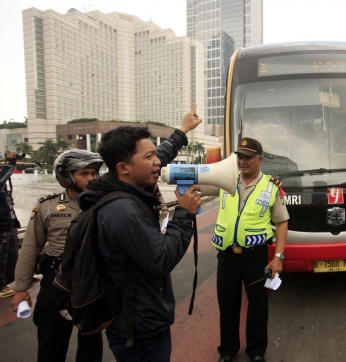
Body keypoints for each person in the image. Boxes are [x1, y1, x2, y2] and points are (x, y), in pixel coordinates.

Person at [80, 108, 202, 361]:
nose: (158, 162)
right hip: (140, 329)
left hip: (137, 320)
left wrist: (182, 132)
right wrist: (184, 214)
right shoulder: (125, 212)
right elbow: (161, 260)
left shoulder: (117, 190)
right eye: (150, 156)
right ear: (123, 167)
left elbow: (156, 158)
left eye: (156, 155)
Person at [10, 150, 105, 362]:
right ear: (67, 176)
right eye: (84, 173)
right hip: (56, 280)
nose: (91, 178)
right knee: (51, 343)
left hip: (92, 280)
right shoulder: (47, 206)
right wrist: (20, 288)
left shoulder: (104, 204)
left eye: (94, 173)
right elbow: (30, 248)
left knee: (91, 343)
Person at [213, 137, 289, 362]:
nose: (242, 161)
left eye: (247, 157)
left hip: (255, 256)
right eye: (239, 156)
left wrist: (278, 257)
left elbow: (282, 222)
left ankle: (256, 351)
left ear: (259, 160)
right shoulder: (226, 180)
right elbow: (199, 183)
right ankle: (227, 350)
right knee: (227, 305)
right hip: (227, 255)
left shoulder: (271, 187)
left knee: (257, 305)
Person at [0, 153, 21, 299]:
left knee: (12, 254)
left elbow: (8, 203)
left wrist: (15, 222)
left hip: (9, 223)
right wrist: (10, 165)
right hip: (1, 226)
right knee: (1, 256)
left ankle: (10, 282)